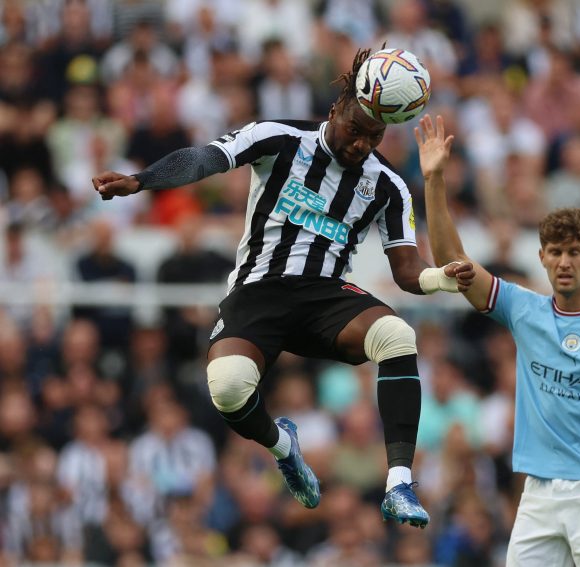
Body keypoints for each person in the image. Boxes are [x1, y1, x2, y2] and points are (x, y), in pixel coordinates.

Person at [91, 48, 474, 528]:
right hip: (258, 290)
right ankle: (283, 445)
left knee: (398, 336)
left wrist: (441, 277)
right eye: (355, 130)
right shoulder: (278, 138)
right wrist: (142, 181)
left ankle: (398, 481)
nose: (361, 145)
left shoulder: (388, 185)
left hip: (325, 297)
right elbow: (206, 158)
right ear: (336, 110)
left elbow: (405, 270)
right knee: (228, 390)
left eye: (373, 137)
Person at [415, 114, 580, 565]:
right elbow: (450, 260)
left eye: (575, 251)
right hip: (538, 497)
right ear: (541, 257)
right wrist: (434, 179)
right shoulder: (524, 309)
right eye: (556, 252)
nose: (565, 262)